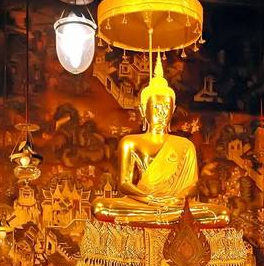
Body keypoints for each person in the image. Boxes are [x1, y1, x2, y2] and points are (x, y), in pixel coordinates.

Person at [93, 55, 229, 227]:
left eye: (166, 107)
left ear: (173, 110)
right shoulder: (130, 142)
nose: (161, 113)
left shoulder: (185, 145)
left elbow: (193, 185)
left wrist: (176, 198)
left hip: (175, 205)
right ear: (144, 109)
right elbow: (124, 184)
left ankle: (158, 219)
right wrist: (149, 198)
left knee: (221, 214)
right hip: (143, 203)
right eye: (156, 107)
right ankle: (163, 219)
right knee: (100, 207)